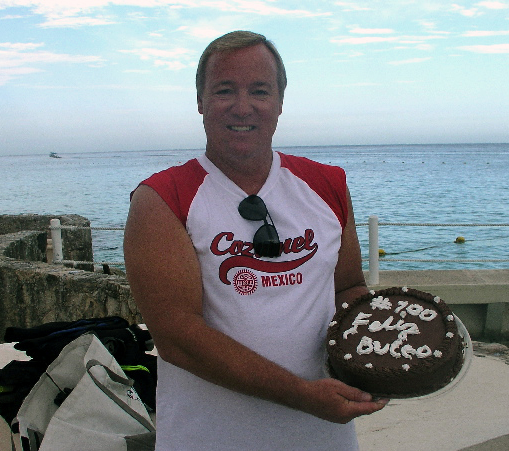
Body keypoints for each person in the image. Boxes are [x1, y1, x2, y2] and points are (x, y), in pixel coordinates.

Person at [123, 30, 387, 450]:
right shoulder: (162, 199)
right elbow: (177, 338)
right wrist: (301, 395)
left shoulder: (328, 184)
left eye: (259, 91)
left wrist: (377, 357)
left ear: (280, 102)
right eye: (224, 90)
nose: (242, 107)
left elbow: (348, 288)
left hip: (324, 438)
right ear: (200, 102)